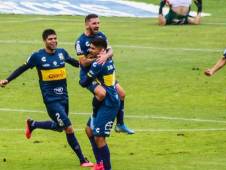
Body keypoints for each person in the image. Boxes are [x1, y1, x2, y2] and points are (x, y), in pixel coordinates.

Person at [0, 29, 94, 167]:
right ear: (44, 41)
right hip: (51, 100)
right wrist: (7, 80)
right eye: (50, 39)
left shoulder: (62, 53)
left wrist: (93, 59)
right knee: (68, 127)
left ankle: (33, 124)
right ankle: (83, 160)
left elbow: (76, 63)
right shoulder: (37, 56)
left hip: (64, 98)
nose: (54, 41)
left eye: (55, 38)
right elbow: (22, 68)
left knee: (59, 127)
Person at [75, 13, 134, 134]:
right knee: (101, 94)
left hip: (103, 73)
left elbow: (110, 50)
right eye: (94, 23)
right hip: (90, 75)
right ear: (87, 24)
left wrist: (105, 56)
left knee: (122, 94)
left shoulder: (101, 35)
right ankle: (95, 116)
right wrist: (98, 59)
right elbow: (83, 62)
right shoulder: (80, 41)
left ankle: (120, 124)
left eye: (98, 23)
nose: (97, 26)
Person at [79, 37, 120, 170]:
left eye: (92, 48)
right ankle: (100, 164)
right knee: (89, 130)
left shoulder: (98, 64)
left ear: (101, 50)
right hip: (106, 100)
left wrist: (82, 77)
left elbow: (84, 82)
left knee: (99, 138)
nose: (89, 50)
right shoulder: (108, 59)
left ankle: (105, 167)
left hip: (109, 104)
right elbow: (109, 52)